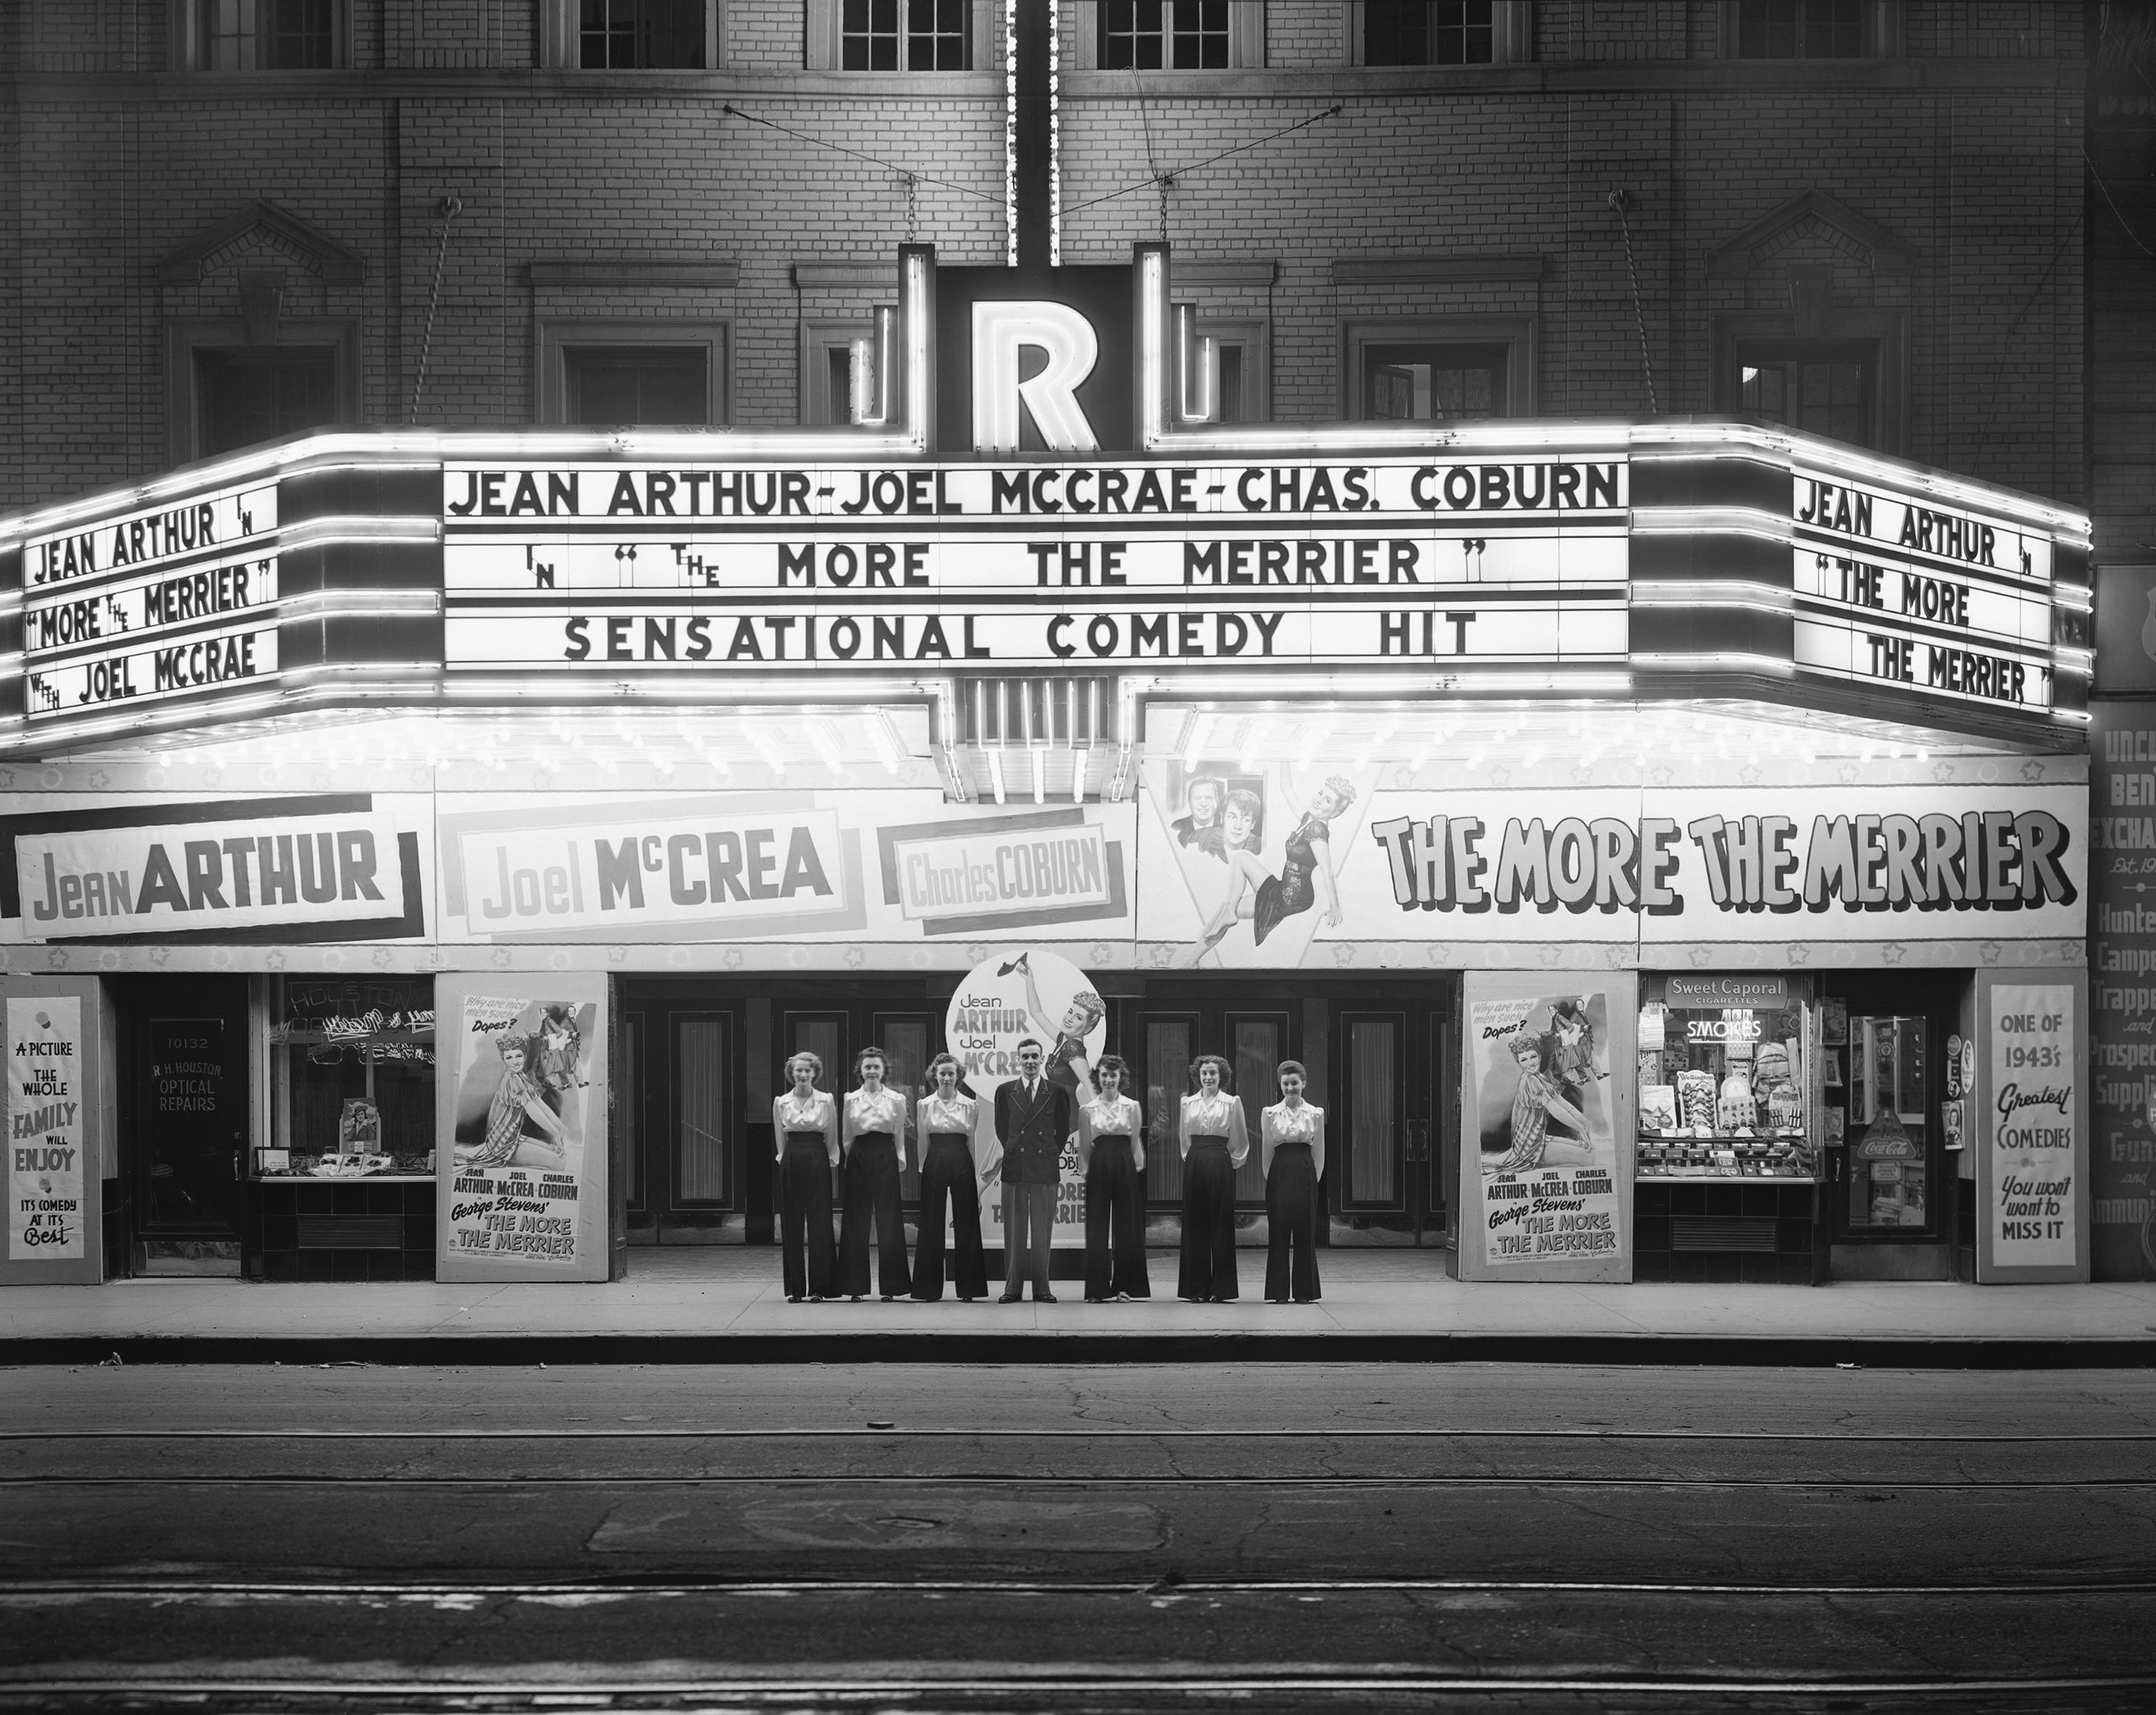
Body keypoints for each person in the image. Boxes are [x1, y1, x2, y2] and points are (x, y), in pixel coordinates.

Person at [1189, 773, 1355, 960]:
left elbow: (1328, 871)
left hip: (1292, 897)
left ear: (1334, 812)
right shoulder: (1308, 819)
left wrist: (1335, 907)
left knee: (1229, 909)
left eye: (1327, 800)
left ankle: (1190, 961)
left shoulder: (1317, 830)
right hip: (1284, 887)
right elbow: (1287, 789)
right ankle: (1194, 956)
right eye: (1320, 793)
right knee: (1238, 872)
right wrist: (1285, 754)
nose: (1318, 800)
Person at [992, 1037, 1072, 1303]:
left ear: (1041, 1059)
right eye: (1024, 1056)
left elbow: (1063, 1129)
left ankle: (1042, 1288)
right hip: (1015, 1167)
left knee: (1042, 1232)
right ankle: (1012, 1289)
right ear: (1018, 1059)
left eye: (1034, 1056)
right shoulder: (1005, 1091)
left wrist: (1050, 1152)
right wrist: (1014, 1149)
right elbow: (1002, 1129)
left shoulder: (1057, 1091)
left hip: (1045, 1168)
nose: (1029, 1061)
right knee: (1013, 1232)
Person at [912, 1052, 988, 1303]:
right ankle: (928, 1289)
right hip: (935, 1157)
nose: (946, 1078)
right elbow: (923, 1141)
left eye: (950, 1074)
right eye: (942, 1073)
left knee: (966, 1221)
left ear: (958, 1077)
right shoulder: (924, 1105)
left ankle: (969, 1289)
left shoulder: (970, 1105)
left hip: (961, 1158)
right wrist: (925, 1168)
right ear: (935, 1076)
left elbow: (971, 1142)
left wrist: (974, 1175)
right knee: (931, 1221)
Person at [838, 1046, 912, 1300]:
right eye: (867, 1067)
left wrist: (899, 1159)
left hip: (885, 1153)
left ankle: (892, 1288)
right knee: (856, 1220)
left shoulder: (897, 1099)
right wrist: (852, 1158)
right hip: (859, 1153)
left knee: (889, 1220)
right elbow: (847, 1136)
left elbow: (899, 1132)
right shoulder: (850, 1098)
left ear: (883, 1071)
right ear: (861, 1070)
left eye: (876, 1067)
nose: (871, 1071)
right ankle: (854, 1287)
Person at [1077, 1052, 1149, 1302]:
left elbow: (1134, 1140)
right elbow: (1085, 1146)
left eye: (1113, 1075)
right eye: (1104, 1075)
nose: (1108, 1079)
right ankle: (1097, 1289)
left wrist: (1132, 1166)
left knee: (1127, 1226)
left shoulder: (1132, 1107)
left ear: (1121, 1078)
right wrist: (1089, 1171)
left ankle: (1125, 1287)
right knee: (1096, 1226)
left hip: (1123, 1162)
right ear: (1098, 1078)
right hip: (1098, 1164)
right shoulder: (1087, 1109)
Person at [1178, 1053, 1248, 1302]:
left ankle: (1221, 1289)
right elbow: (1184, 1140)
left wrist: (1226, 1162)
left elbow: (1239, 1141)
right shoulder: (1187, 1103)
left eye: (1213, 1073)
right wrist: (1195, 1158)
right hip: (1196, 1161)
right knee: (1195, 1223)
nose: (1208, 1077)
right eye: (1204, 1073)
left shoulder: (1231, 1103)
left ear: (1222, 1077)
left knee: (1221, 1223)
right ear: (1198, 1076)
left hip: (1220, 1160)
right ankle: (1195, 1289)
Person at [770, 1050, 838, 1303]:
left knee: (820, 1222)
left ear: (814, 1073)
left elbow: (831, 1134)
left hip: (817, 1154)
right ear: (792, 1074)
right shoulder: (781, 1102)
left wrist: (829, 1159)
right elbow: (780, 1137)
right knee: (792, 1223)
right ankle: (796, 1289)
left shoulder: (826, 1100)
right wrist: (783, 1159)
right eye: (798, 1070)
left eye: (807, 1070)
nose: (802, 1075)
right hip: (791, 1156)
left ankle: (820, 1288)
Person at [1489, 1032, 1598, 1177]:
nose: (1530, 1063)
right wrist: (1579, 1129)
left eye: (1533, 1057)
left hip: (1539, 1138)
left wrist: (1585, 1123)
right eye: (1524, 1060)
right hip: (1529, 1147)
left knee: (1589, 1152)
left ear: (1540, 1056)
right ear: (1519, 1063)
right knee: (1588, 1158)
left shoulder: (1540, 1078)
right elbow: (1555, 1109)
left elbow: (1564, 1105)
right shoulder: (1529, 1080)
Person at [1262, 1059, 1325, 1304]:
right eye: (1286, 1084)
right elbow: (1267, 1150)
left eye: (1295, 1083)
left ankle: (1304, 1292)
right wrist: (1273, 1177)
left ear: (1304, 1083)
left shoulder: (1315, 1113)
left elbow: (1318, 1152)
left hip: (1305, 1170)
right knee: (1278, 1231)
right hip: (1279, 1171)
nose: (1290, 1089)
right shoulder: (1270, 1113)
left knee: (1305, 1231)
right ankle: (1278, 1292)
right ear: (1281, 1085)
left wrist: (1313, 1177)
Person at [1002, 950, 1102, 1103]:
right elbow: (1037, 1013)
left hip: (1068, 1116)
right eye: (1070, 1012)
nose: (1069, 1019)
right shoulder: (1063, 1039)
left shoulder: (1072, 1047)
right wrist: (1029, 980)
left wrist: (1099, 1118)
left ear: (1088, 1028)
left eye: (1078, 1017)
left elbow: (1091, 1086)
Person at [464, 1035, 568, 1169]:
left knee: (555, 1152)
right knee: (559, 1164)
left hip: (513, 1137)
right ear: (503, 1060)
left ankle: (510, 1162)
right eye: (509, 1058)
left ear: (525, 1056)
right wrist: (554, 1133)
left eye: (518, 1056)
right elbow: (533, 1111)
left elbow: (540, 1105)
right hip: (503, 1143)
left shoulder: (521, 1077)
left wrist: (560, 1128)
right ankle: (506, 1161)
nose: (515, 1062)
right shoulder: (512, 1079)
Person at [1171, 776, 1228, 858]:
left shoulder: (1228, 832)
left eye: (1208, 798)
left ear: (1216, 801)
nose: (1204, 804)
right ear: (1190, 802)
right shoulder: (1177, 827)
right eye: (1198, 798)